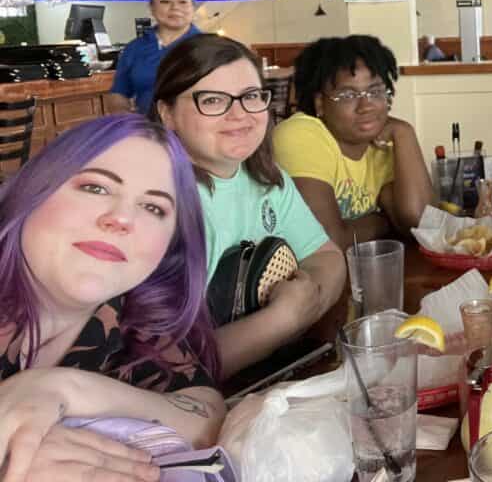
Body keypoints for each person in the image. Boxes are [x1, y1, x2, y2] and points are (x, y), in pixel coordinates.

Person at [0, 114, 224, 482]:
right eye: (96, 188)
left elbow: (206, 412)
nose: (121, 219)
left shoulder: (128, 316)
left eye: (153, 208)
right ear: (33, 191)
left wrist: (61, 388)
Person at [151, 34, 345, 379]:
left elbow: (327, 258)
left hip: (267, 377)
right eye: (212, 101)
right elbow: (168, 366)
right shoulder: (158, 204)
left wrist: (305, 298)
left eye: (251, 97)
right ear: (168, 113)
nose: (240, 115)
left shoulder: (266, 178)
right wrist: (282, 320)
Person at [273, 35, 432, 247]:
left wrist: (405, 133)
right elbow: (327, 241)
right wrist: (385, 222)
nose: (366, 106)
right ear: (320, 103)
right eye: (348, 95)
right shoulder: (300, 134)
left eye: (375, 91)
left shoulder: (385, 143)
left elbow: (423, 226)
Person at [109, 0, 201, 115]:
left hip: (198, 132)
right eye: (165, 1)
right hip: (149, 130)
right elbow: (119, 93)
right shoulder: (135, 48)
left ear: (193, 7)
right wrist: (127, 119)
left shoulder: (208, 46)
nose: (175, 7)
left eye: (183, 1)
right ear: (151, 7)